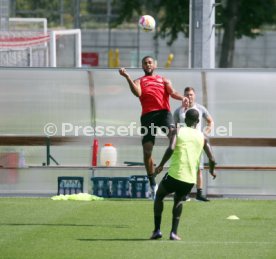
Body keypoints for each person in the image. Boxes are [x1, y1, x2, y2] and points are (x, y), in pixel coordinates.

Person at [119, 56, 188, 199]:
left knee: (175, 138)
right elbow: (137, 93)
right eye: (145, 63)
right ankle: (152, 184)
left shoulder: (163, 79)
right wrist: (127, 77)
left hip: (164, 114)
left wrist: (183, 98)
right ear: (142, 66)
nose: (148, 64)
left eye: (150, 62)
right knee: (147, 151)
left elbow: (172, 92)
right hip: (148, 116)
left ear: (155, 65)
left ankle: (174, 175)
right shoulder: (139, 81)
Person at [150, 109, 216, 240]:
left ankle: (157, 230)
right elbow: (212, 159)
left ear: (185, 120)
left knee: (159, 195)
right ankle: (174, 233)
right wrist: (212, 170)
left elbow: (171, 148)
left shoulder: (178, 131)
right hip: (190, 179)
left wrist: (161, 165)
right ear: (197, 122)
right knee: (178, 200)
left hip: (175, 175)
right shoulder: (202, 137)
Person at [173, 86, 214, 202]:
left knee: (198, 168)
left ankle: (199, 193)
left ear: (194, 96)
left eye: (191, 94)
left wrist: (204, 133)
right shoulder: (178, 111)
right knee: (184, 167)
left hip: (196, 143)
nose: (189, 97)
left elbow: (210, 121)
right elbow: (174, 126)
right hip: (184, 143)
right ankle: (184, 193)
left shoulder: (200, 109)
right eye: (186, 95)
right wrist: (176, 138)